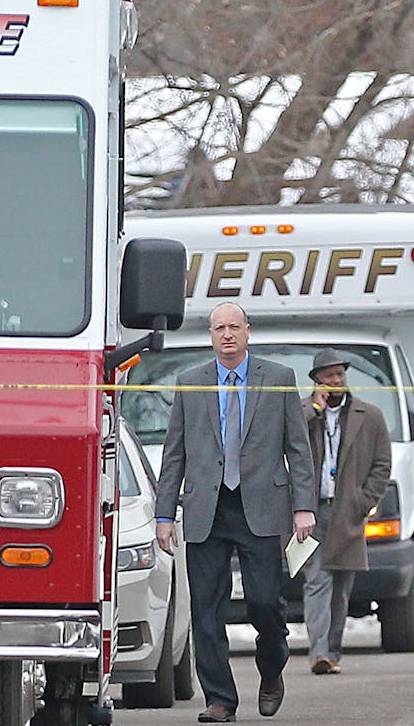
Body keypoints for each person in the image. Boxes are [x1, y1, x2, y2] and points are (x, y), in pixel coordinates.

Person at [154, 301, 316, 723]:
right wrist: (164, 515)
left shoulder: (278, 378)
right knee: (206, 610)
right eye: (218, 328)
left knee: (265, 603)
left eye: (234, 327)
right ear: (211, 335)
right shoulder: (191, 382)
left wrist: (303, 508)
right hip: (208, 508)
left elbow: (298, 450)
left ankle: (271, 670)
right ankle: (220, 699)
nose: (227, 335)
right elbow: (174, 455)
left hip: (261, 506)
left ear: (247, 331)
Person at [298, 348, 391, 676]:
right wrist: (315, 409)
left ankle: (332, 651)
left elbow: (382, 465)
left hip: (348, 512)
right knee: (316, 581)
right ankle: (318, 652)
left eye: (339, 375)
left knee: (341, 588)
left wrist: (363, 501)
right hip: (310, 511)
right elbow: (287, 437)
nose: (336, 381)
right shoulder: (303, 412)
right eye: (329, 376)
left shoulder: (370, 415)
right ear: (317, 381)